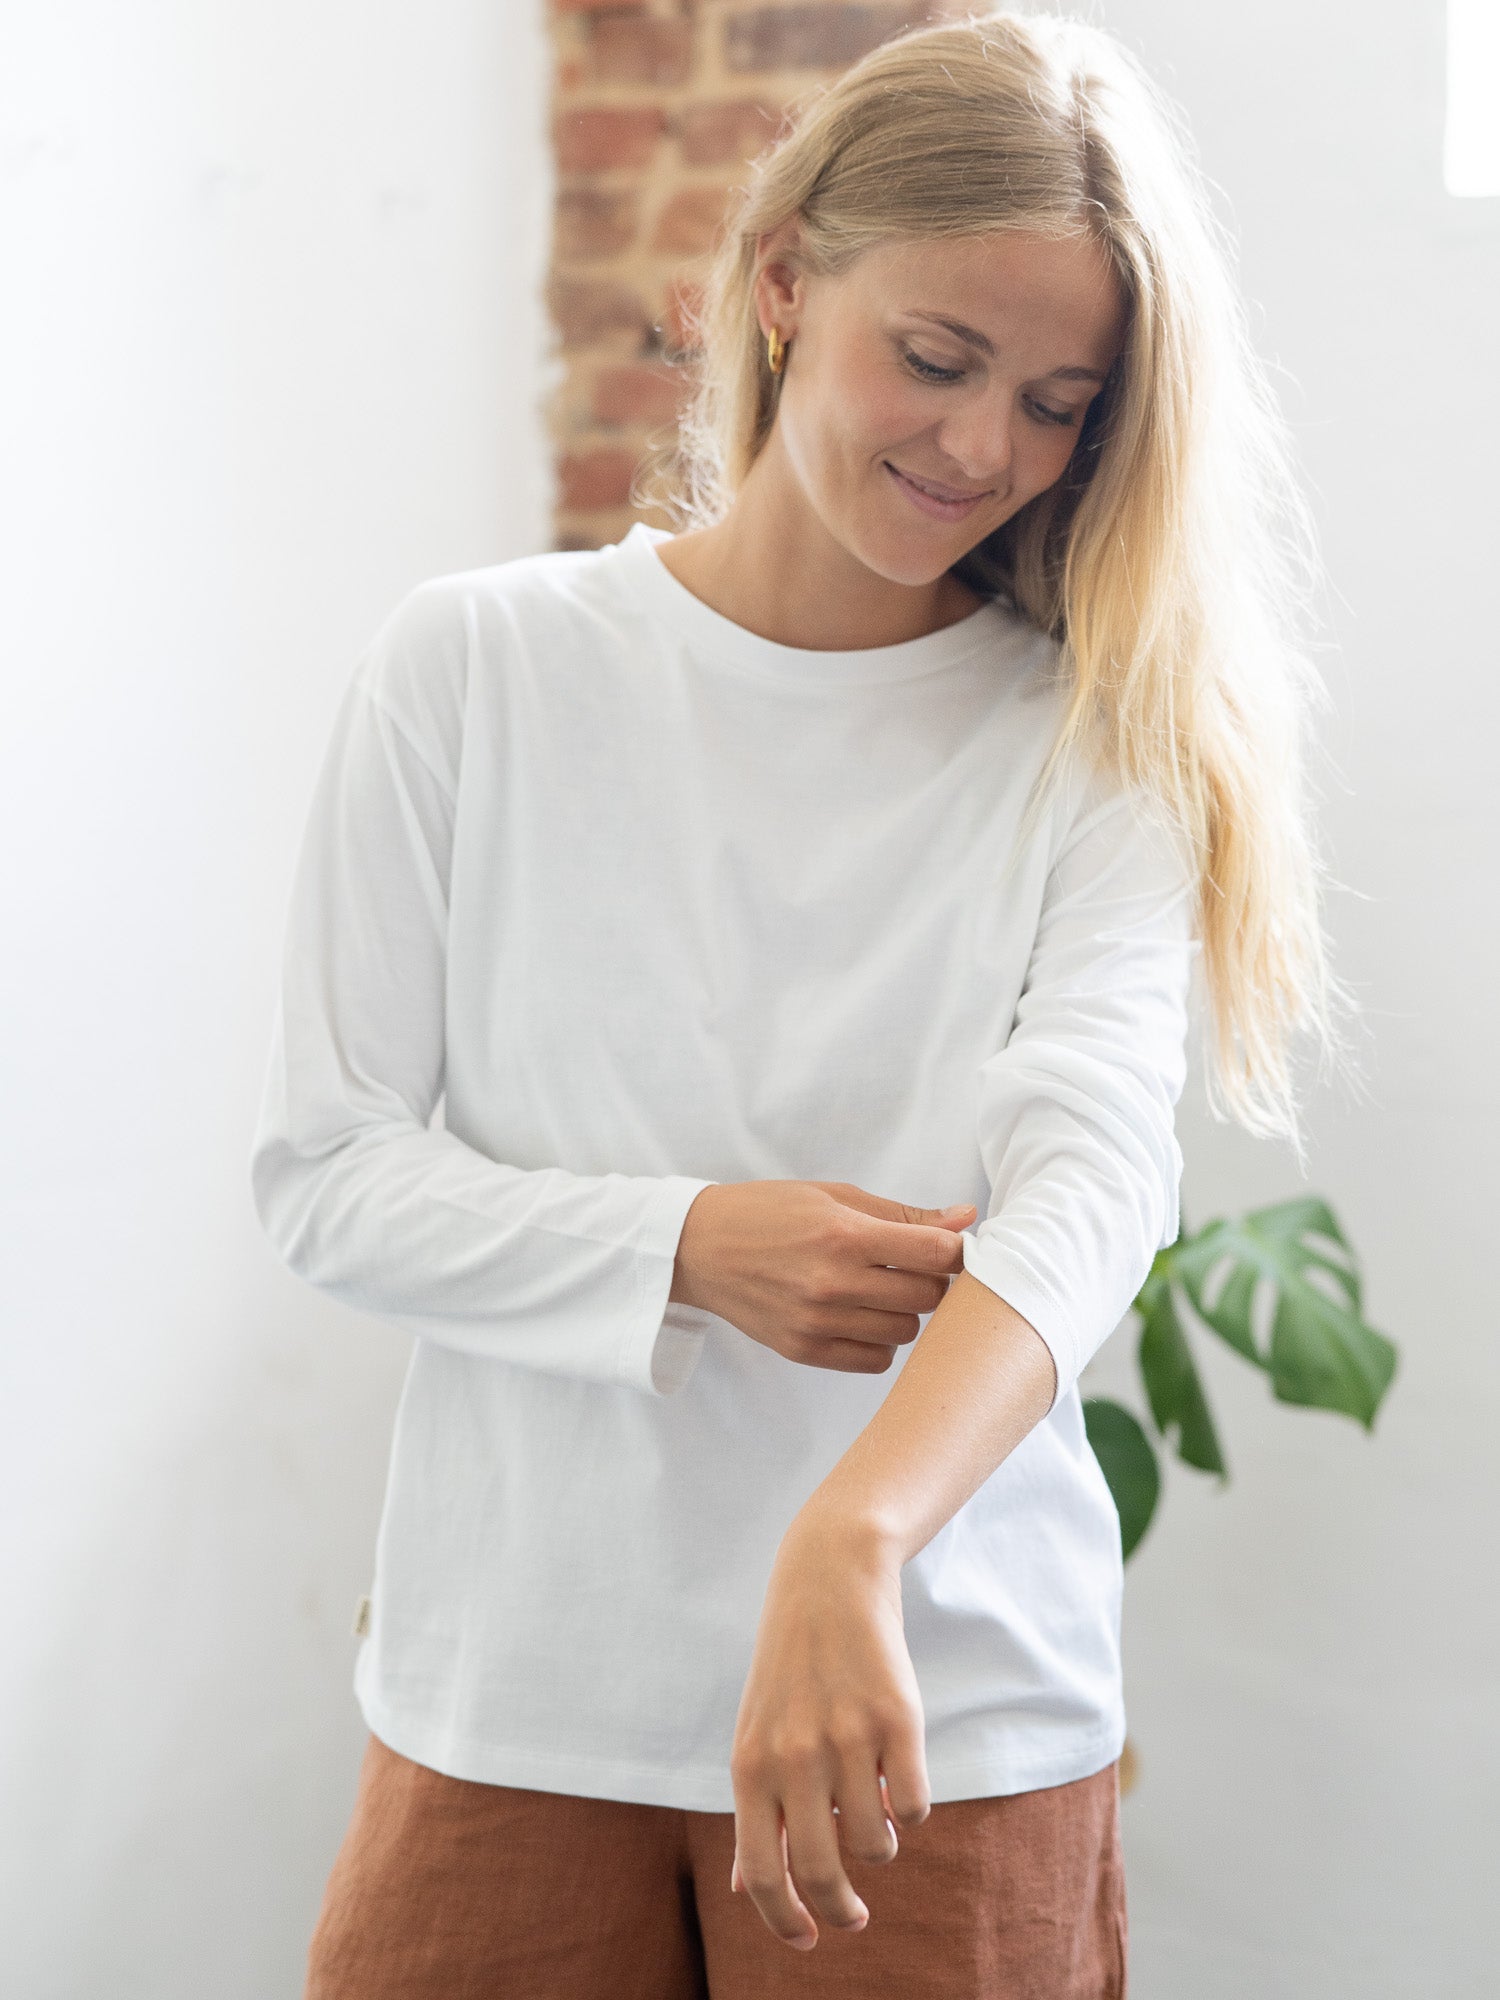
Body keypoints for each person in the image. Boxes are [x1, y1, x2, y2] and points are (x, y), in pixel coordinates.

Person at [249, 9, 1351, 1995]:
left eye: (1058, 403)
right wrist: (693, 1245)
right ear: (780, 282)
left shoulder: (1088, 742)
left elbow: (1091, 1186)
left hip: (941, 1711)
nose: (981, 448)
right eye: (938, 359)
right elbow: (329, 1172)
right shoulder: (477, 669)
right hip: (518, 1690)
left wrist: (852, 1541)